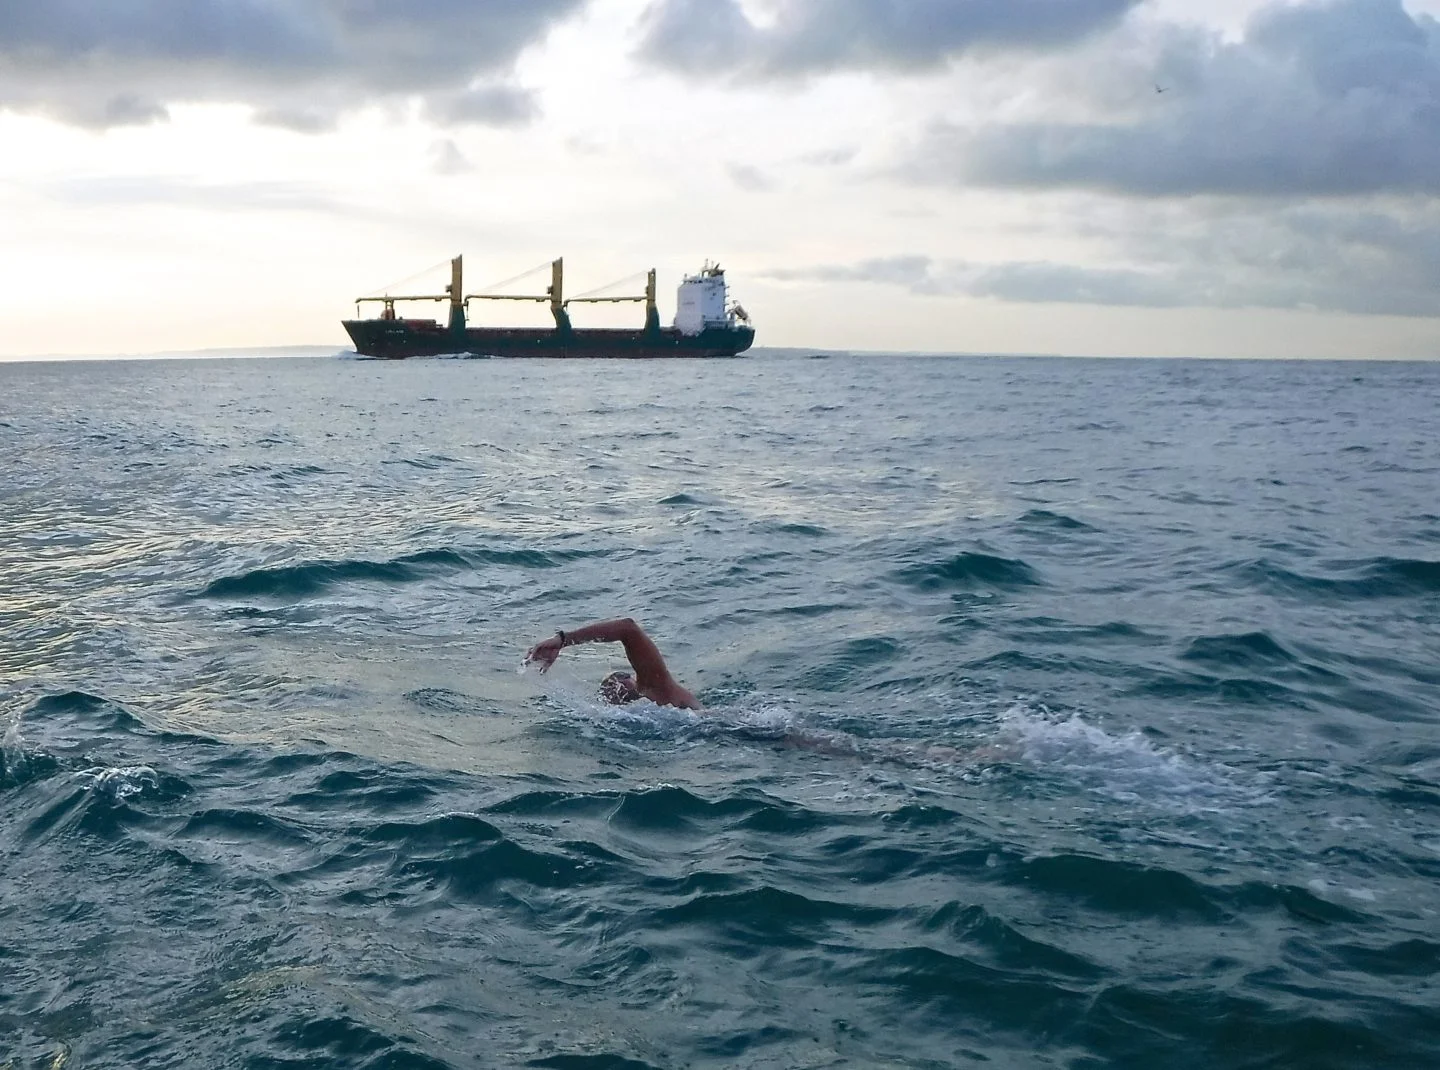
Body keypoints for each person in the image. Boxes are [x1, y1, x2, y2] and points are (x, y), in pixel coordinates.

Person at [525, 617, 700, 710]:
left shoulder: (658, 690)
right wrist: (563, 640)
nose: (615, 683)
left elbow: (628, 628)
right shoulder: (655, 694)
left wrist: (564, 639)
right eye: (608, 686)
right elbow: (627, 628)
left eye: (618, 677)